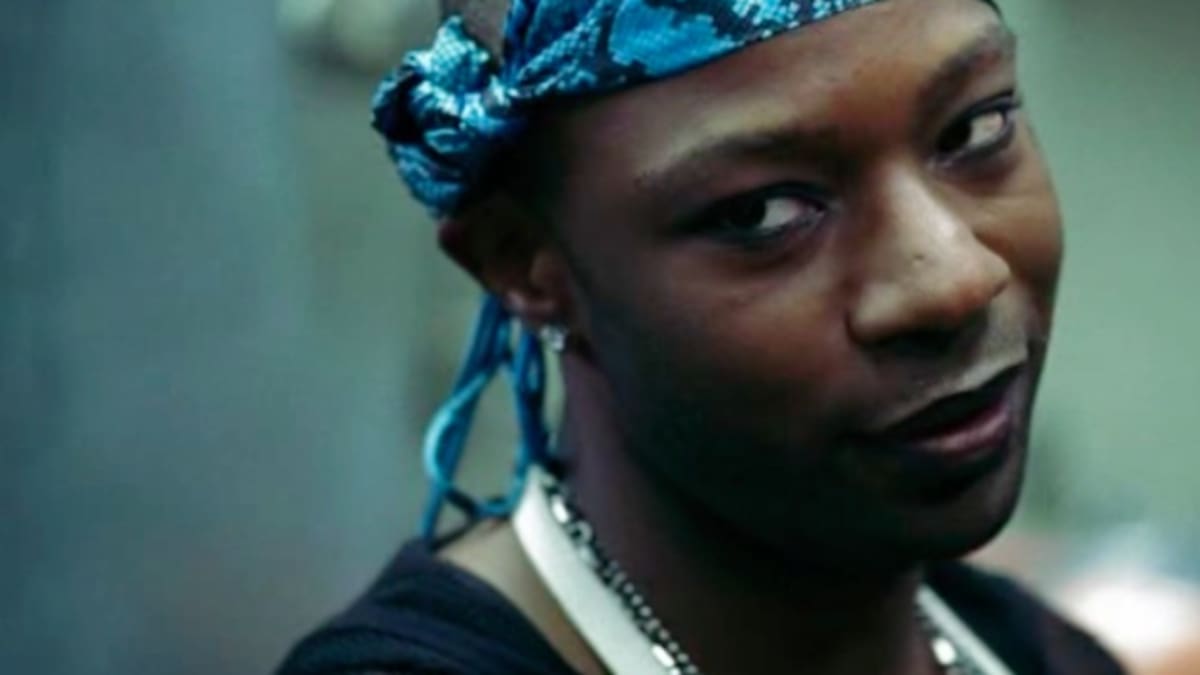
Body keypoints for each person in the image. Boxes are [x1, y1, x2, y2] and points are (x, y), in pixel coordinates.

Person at [278, 0, 1128, 672]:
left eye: (974, 130)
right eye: (762, 213)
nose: (953, 279)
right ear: (526, 264)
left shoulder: (1042, 652)